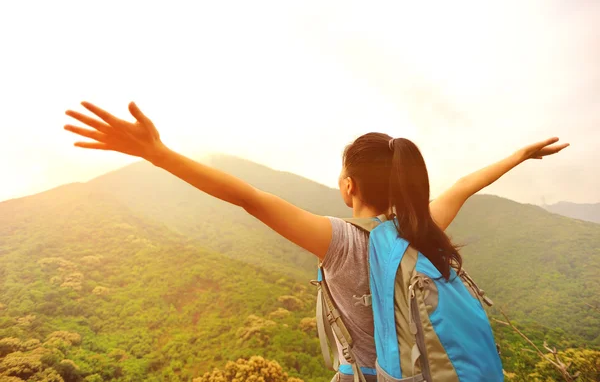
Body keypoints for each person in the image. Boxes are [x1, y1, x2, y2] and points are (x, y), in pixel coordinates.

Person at [63, 101, 569, 381]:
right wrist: (519, 156)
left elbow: (249, 198)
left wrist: (158, 154)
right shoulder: (423, 225)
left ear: (348, 185)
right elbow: (464, 185)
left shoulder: (341, 242)